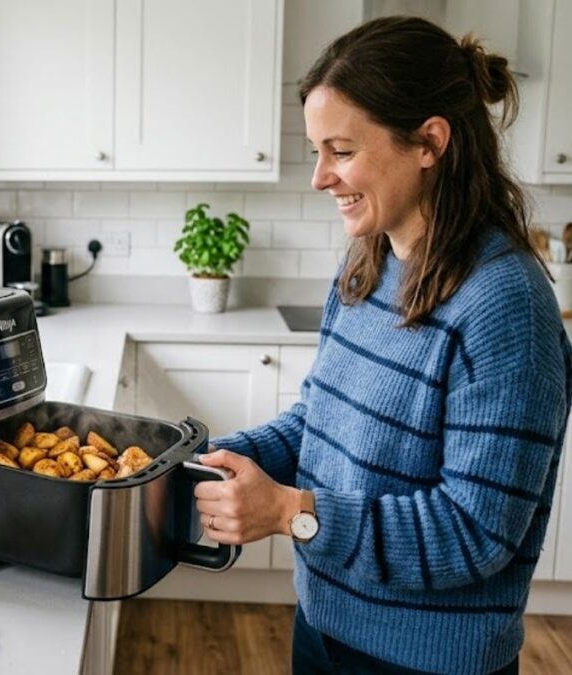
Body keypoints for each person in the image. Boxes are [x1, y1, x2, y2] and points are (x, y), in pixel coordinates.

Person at [194, 16, 572, 675]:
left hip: (428, 661)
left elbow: (473, 534)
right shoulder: (365, 264)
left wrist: (289, 512)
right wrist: (200, 461)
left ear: (428, 141)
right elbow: (318, 423)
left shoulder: (504, 305)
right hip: (321, 625)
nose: (319, 177)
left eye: (340, 150)